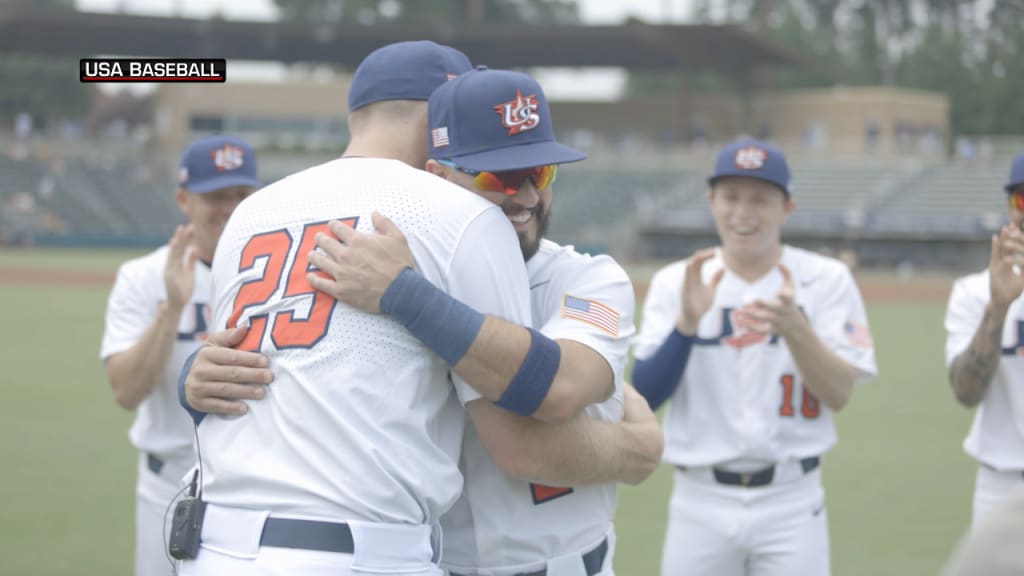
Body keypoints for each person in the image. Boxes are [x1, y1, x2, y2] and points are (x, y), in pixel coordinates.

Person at [182, 67, 664, 575]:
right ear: (433, 177)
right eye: (498, 177)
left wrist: (638, 448)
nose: (524, 197)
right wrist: (196, 379)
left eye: (540, 174)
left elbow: (561, 390)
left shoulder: (584, 277)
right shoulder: (374, 270)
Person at [631, 138, 878, 576]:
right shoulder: (677, 282)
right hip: (699, 500)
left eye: (760, 199)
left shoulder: (826, 280)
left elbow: (839, 395)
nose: (743, 213)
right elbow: (645, 397)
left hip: (792, 499)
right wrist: (686, 324)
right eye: (730, 197)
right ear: (711, 202)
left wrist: (796, 330)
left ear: (787, 208)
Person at [99, 134, 262, 576]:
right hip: (167, 479)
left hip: (255, 482)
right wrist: (172, 308)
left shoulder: (274, 275)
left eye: (242, 195)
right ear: (183, 199)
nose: (229, 208)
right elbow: (127, 392)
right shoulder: (142, 277)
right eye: (215, 196)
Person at [945, 152, 1024, 528]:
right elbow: (966, 392)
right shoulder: (974, 292)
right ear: (1010, 209)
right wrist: (996, 308)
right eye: (1022, 199)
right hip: (1000, 484)